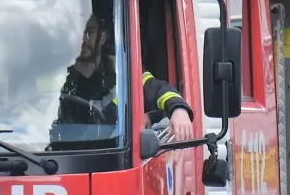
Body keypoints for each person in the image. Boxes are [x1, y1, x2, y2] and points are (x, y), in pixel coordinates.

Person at [52, 12, 196, 146]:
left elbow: (156, 88)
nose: (83, 39)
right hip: (62, 155)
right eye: (78, 33)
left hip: (114, 155)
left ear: (102, 37)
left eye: (89, 32)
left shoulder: (123, 68)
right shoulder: (56, 72)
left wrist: (178, 109)